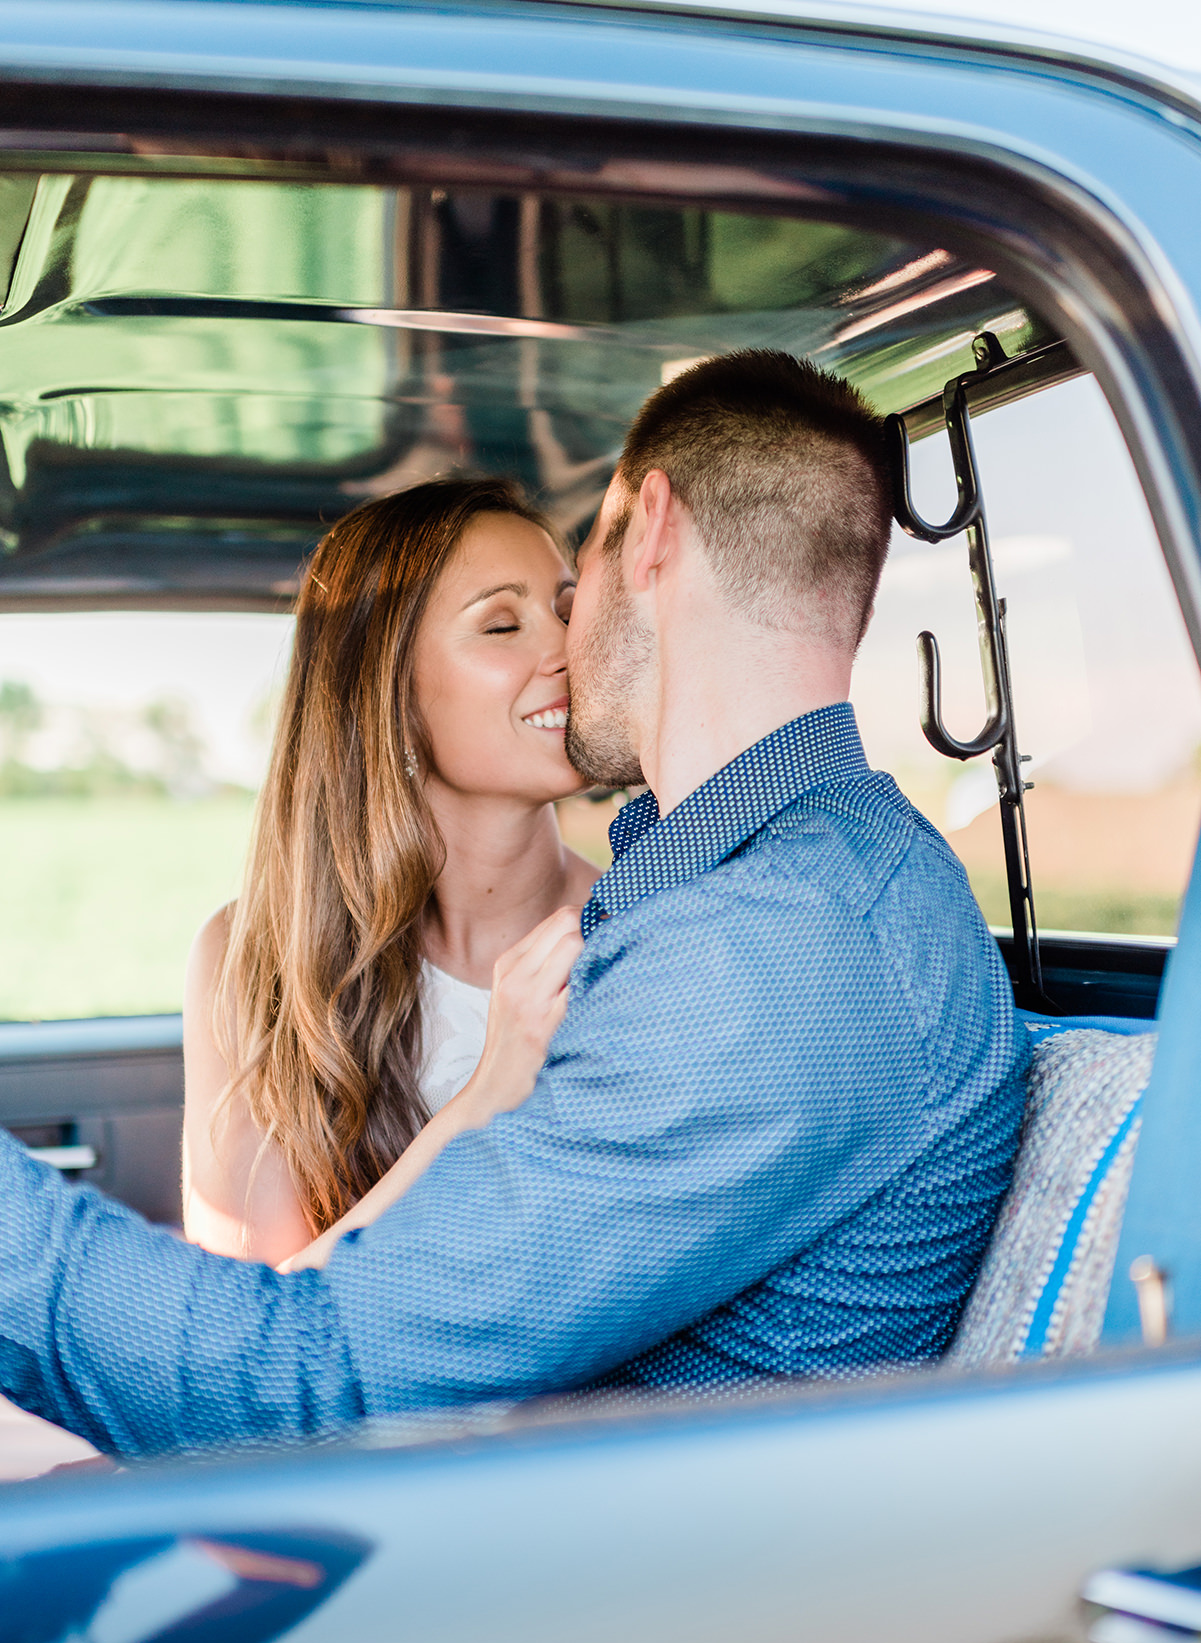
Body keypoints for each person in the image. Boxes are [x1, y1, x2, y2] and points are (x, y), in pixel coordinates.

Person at [0, 349, 1031, 1457]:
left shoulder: (767, 953)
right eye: (504, 623)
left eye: (575, 578)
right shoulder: (775, 891)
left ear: (651, 532)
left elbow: (294, 1387)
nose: (562, 643)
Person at [181, 478, 594, 1266]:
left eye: (571, 610)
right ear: (390, 696)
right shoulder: (248, 958)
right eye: (502, 624)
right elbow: (251, 1328)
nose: (568, 649)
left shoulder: (648, 922)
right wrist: (487, 1096)